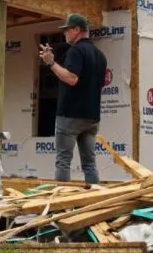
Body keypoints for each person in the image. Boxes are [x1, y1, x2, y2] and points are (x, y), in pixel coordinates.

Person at [38, 13, 108, 185]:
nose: (64, 34)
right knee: (90, 164)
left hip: (70, 116)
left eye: (67, 30)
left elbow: (72, 78)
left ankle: (61, 204)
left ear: (77, 30)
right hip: (91, 117)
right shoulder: (100, 55)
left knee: (63, 161)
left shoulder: (76, 50)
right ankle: (94, 202)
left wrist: (50, 63)